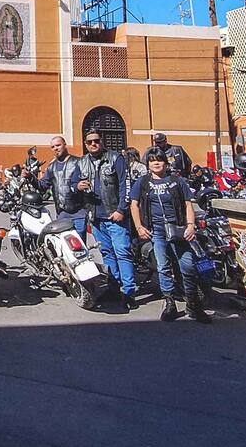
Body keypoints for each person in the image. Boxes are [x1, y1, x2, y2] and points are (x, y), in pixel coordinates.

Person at [130, 149, 211, 323]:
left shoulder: (177, 181)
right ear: (148, 164)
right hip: (157, 230)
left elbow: (188, 204)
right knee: (163, 267)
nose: (156, 163)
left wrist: (190, 225)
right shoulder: (143, 182)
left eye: (159, 160)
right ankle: (169, 303)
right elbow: (134, 204)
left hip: (179, 229)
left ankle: (193, 304)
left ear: (166, 163)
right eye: (152, 161)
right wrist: (139, 227)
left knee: (187, 266)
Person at [69, 130, 137, 310]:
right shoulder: (82, 163)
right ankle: (113, 288)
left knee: (122, 252)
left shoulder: (116, 158)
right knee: (107, 253)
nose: (93, 144)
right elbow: (72, 184)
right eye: (89, 142)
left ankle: (129, 292)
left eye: (96, 141)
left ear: (102, 142)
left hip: (114, 215)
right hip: (96, 217)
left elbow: (125, 185)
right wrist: (78, 186)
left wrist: (121, 210)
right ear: (85, 143)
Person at [39, 135, 84, 233]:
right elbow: (43, 186)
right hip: (62, 215)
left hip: (79, 214)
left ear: (65, 145)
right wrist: (30, 177)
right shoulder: (51, 167)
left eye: (58, 145)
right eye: (53, 147)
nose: (55, 148)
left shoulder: (78, 162)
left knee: (78, 246)